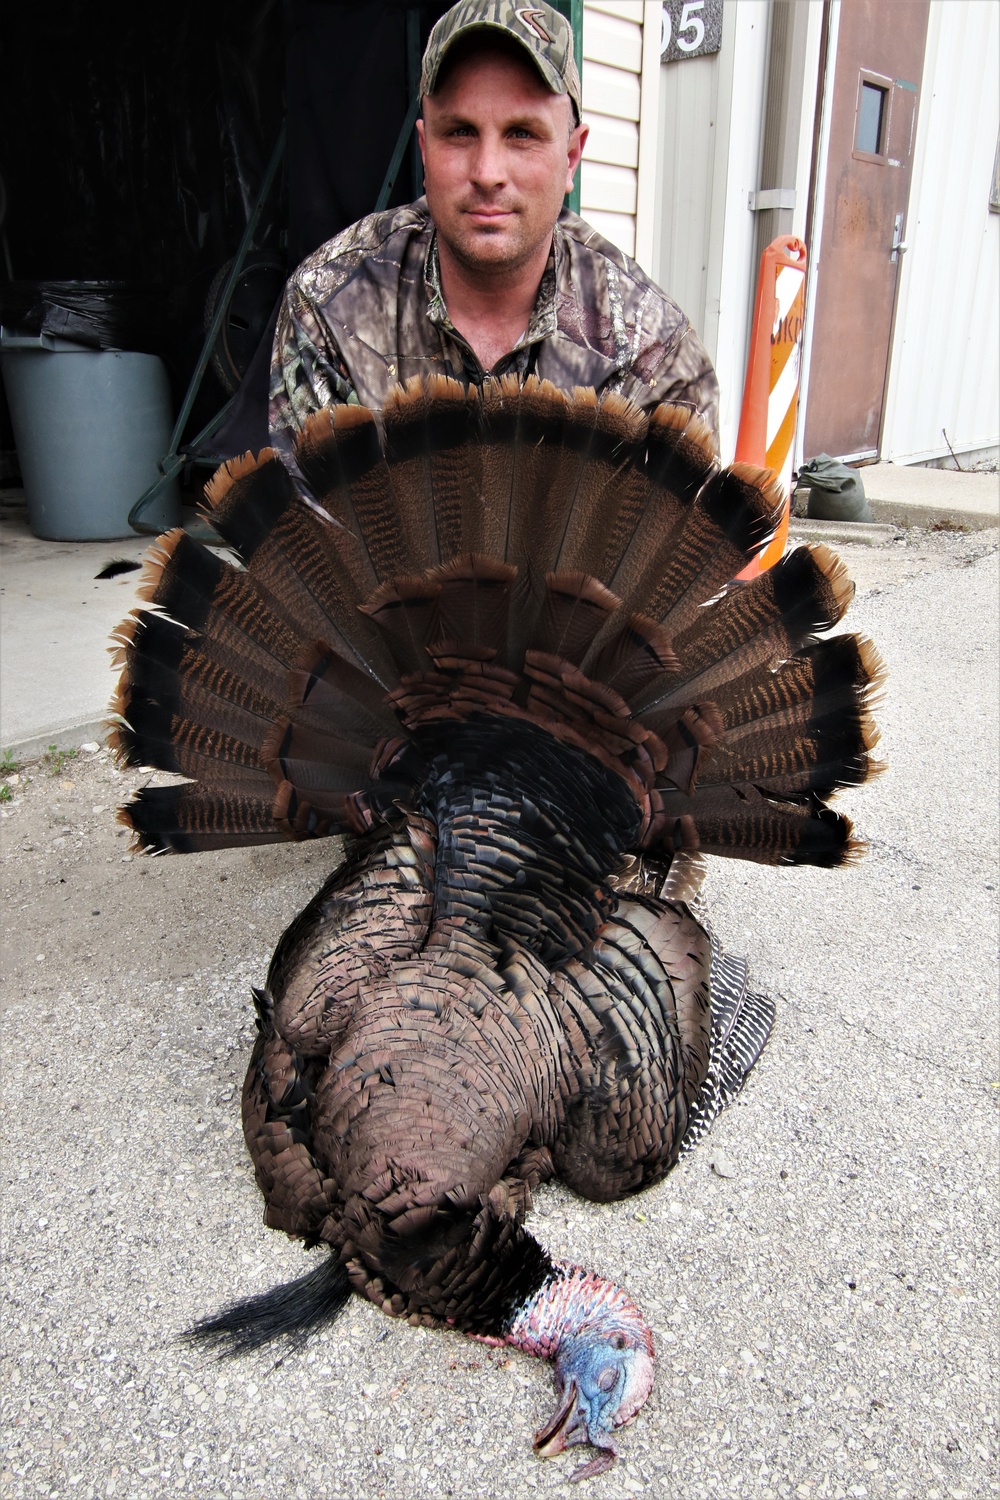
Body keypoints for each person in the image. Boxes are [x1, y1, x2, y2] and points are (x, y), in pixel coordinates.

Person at [268, 0, 719, 472]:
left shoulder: (653, 352)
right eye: (460, 132)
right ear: (424, 149)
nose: (487, 173)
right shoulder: (330, 302)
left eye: (522, 134)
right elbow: (314, 530)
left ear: (571, 156)